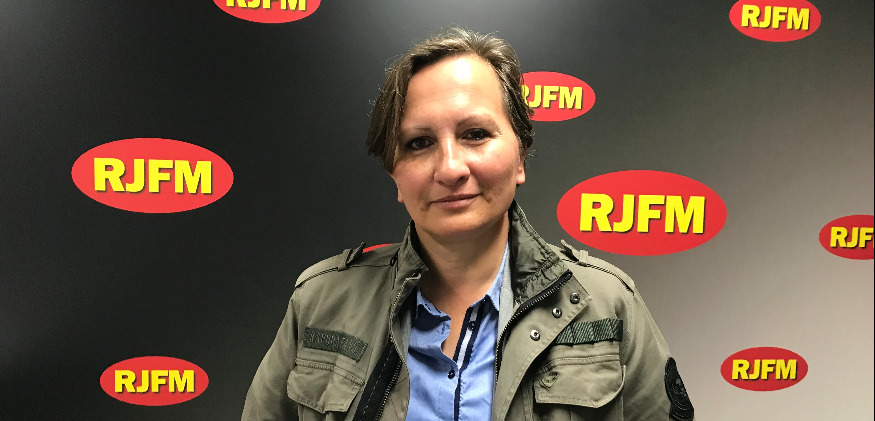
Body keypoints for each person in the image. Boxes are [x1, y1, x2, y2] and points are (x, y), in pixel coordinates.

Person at [243, 27, 694, 421]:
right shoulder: (319, 303)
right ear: (395, 175)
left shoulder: (607, 304)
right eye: (419, 143)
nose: (450, 168)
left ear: (520, 156)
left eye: (475, 134)